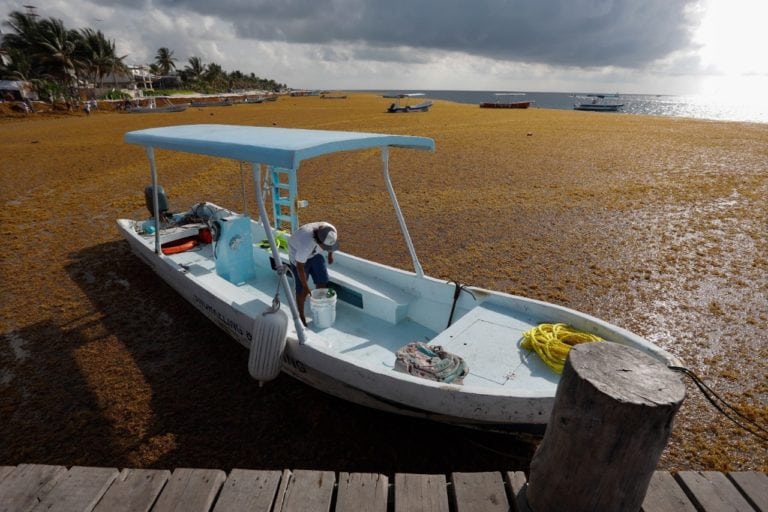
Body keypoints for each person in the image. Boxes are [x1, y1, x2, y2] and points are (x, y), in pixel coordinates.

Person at [288, 222, 338, 326]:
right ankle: (301, 316)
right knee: (302, 290)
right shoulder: (305, 244)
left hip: (315, 255)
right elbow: (300, 267)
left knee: (322, 280)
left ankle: (321, 305)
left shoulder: (331, 230)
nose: (326, 248)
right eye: (325, 247)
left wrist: (330, 255)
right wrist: (306, 287)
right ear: (318, 242)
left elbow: (332, 243)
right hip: (298, 260)